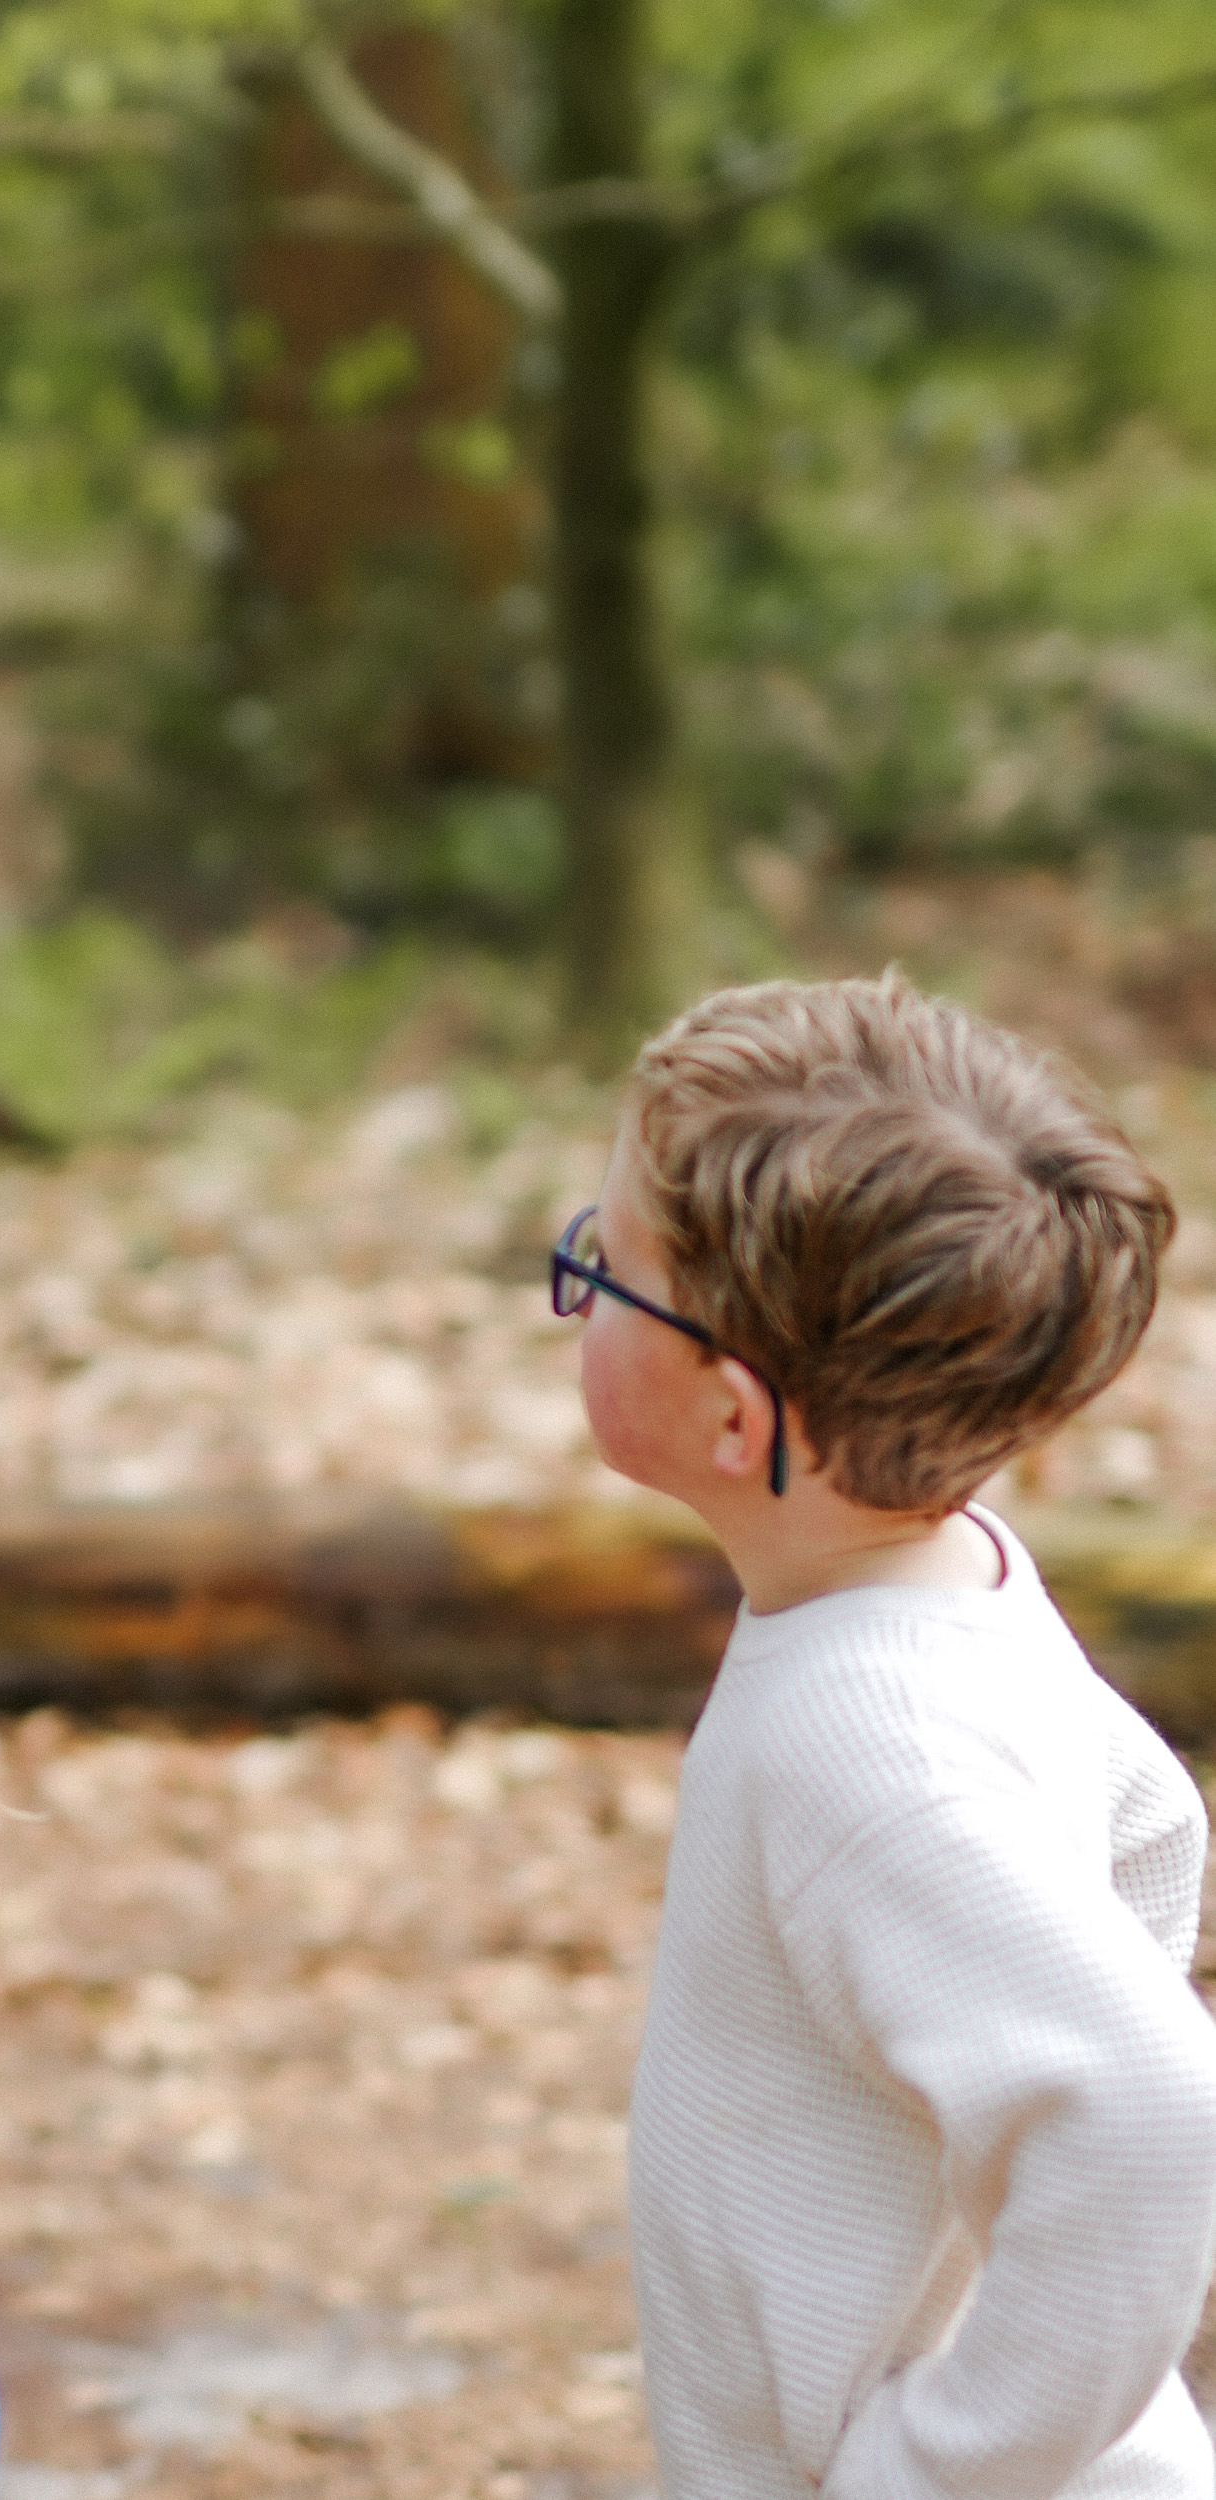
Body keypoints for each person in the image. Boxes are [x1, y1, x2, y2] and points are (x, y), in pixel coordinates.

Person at [555, 972, 1216, 2500]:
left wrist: (931, 2469)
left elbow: (1149, 2111)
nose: (579, 1291)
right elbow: (1149, 1825)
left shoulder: (868, 1743)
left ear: (735, 1420)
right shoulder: (950, 1579)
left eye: (600, 1266)